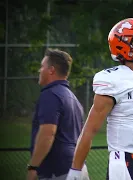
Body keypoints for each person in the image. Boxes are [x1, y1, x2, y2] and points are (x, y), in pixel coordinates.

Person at [66, 18, 133, 180]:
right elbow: (89, 130)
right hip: (125, 164)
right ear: (122, 45)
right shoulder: (113, 80)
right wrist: (75, 170)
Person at [27, 49, 90, 180]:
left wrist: (33, 167)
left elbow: (48, 133)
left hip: (57, 171)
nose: (39, 70)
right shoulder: (73, 98)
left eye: (42, 66)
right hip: (78, 168)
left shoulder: (50, 95)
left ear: (51, 70)